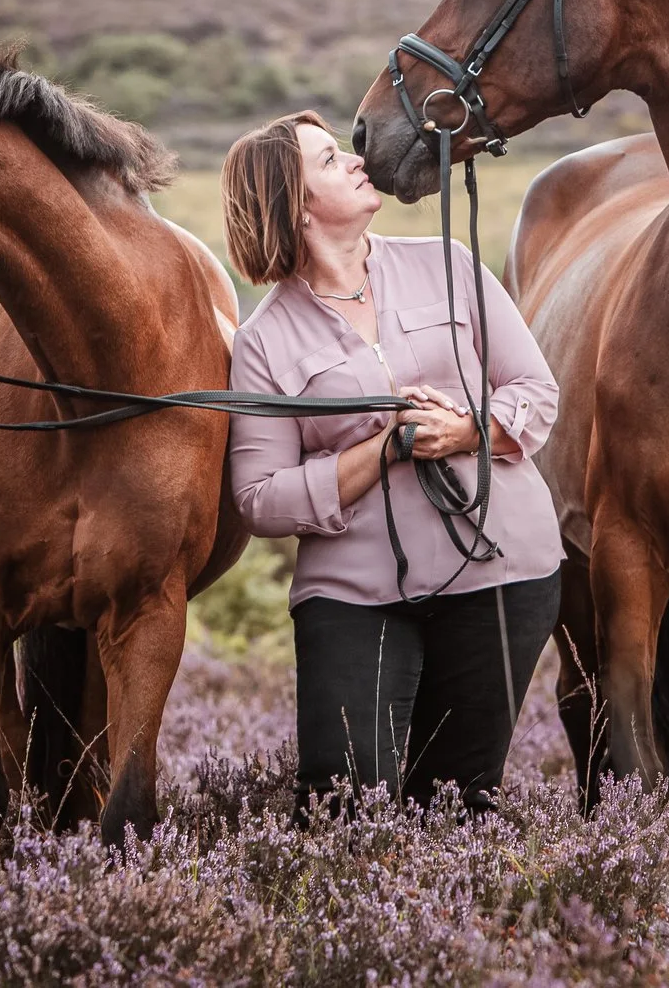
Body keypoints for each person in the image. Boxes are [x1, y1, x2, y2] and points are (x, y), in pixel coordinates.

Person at [221, 109, 563, 814]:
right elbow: (259, 498)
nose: (355, 160)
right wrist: (381, 449)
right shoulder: (262, 340)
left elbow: (536, 392)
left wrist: (462, 431)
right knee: (340, 802)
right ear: (296, 205)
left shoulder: (448, 264)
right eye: (328, 160)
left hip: (502, 571)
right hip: (354, 592)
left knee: (456, 805)